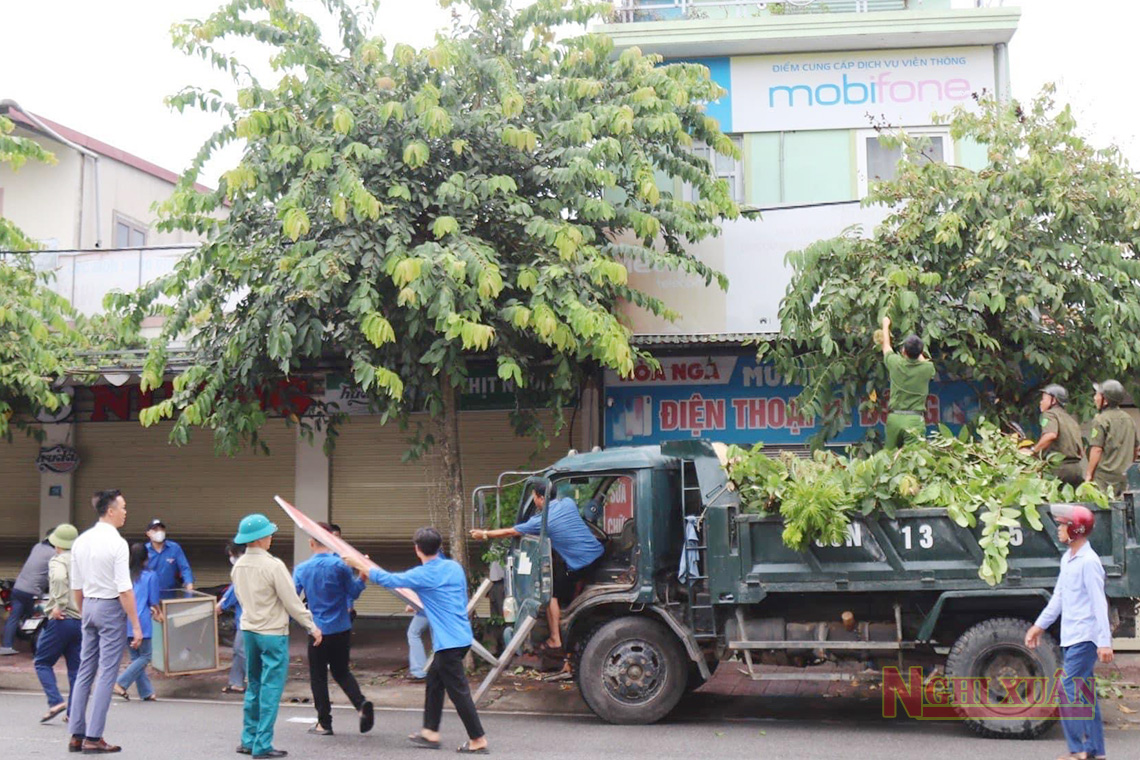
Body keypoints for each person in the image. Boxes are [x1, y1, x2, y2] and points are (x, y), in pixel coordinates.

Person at [345, 527, 489, 754]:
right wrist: (420, 603)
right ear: (440, 546)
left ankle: (478, 739)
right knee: (434, 681)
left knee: (459, 693)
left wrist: (359, 564)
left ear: (417, 549)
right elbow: (444, 595)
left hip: (449, 642)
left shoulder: (423, 574)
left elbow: (389, 579)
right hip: (460, 637)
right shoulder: (453, 568)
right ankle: (430, 732)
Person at [471, 476, 603, 654]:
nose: (534, 500)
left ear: (541, 498)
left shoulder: (540, 521)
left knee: (550, 594)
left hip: (583, 565)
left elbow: (511, 531)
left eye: (534, 496)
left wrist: (484, 534)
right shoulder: (568, 503)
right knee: (560, 573)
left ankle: (555, 638)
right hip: (599, 554)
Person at [1025, 504, 1113, 760]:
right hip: (1072, 637)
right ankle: (1096, 751)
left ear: (1076, 530)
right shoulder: (1068, 559)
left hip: (1086, 638)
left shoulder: (1089, 563)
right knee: (1086, 694)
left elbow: (1099, 603)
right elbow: (1059, 598)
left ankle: (1079, 750)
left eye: (1064, 525)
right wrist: (1038, 626)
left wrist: (1104, 642)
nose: (1059, 529)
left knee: (1066, 689)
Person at [230, 513, 322, 759]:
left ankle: (248, 740)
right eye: (269, 533)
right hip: (272, 633)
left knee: (254, 685)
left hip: (249, 630)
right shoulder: (274, 565)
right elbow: (292, 602)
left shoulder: (238, 566)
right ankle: (262, 745)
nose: (271, 537)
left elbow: (239, 597)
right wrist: (311, 627)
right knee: (271, 689)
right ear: (260, 538)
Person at [68, 489, 144, 754]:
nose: (125, 512)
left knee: (85, 669)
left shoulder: (81, 540)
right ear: (110, 511)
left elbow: (76, 585)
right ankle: (94, 736)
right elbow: (125, 589)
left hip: (88, 604)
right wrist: (135, 624)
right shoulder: (117, 543)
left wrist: (85, 610)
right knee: (107, 673)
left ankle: (76, 733)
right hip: (110, 607)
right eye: (123, 507)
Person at [292, 524, 373, 736]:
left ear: (311, 543)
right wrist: (363, 576)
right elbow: (353, 593)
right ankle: (361, 704)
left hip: (317, 631)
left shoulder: (302, 569)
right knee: (341, 671)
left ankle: (324, 723)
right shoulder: (341, 566)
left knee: (318, 677)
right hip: (342, 627)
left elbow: (292, 598)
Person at [32, 523, 81, 723]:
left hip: (62, 619)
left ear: (56, 544)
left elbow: (60, 578)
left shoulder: (58, 560)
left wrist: (59, 605)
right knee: (75, 670)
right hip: (81, 621)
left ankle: (55, 701)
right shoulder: (81, 561)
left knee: (42, 662)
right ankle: (73, 712)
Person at [113, 543, 162, 701]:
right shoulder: (150, 576)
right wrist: (158, 613)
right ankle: (120, 682)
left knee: (136, 658)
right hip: (141, 620)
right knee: (146, 656)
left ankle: (146, 692)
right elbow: (153, 601)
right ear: (146, 558)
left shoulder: (124, 575)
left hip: (125, 619)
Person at [880, 316, 935, 449]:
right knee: (914, 460)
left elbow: (886, 346)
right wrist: (917, 350)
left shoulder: (896, 363)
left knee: (889, 459)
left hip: (895, 418)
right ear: (921, 352)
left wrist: (885, 325)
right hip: (914, 420)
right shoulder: (928, 369)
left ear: (903, 351)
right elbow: (922, 360)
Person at [0, 530, 56, 655]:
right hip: (32, 591)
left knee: (14, 617)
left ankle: (7, 646)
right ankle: (40, 644)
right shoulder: (53, 554)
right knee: (38, 616)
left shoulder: (37, 547)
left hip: (18, 588)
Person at [1085, 379, 1140, 496]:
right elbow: (1136, 449)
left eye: (1098, 395)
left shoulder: (1100, 420)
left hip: (1104, 478)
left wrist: (1089, 474)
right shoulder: (1129, 419)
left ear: (1105, 400)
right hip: (1125, 478)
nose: (1095, 398)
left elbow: (1096, 449)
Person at [1030, 384, 1086, 486]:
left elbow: (1050, 435)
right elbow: (1081, 452)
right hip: (1077, 470)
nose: (1041, 402)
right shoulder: (1070, 419)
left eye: (1043, 399)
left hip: (1059, 469)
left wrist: (1033, 451)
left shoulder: (1049, 414)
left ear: (1054, 400)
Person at [218, 542, 247, 694]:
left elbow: (235, 590)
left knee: (241, 650)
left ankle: (255, 682)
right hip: (248, 618)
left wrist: (221, 605)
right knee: (239, 651)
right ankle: (237, 682)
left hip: (248, 620)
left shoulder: (242, 568)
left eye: (231, 555)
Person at [144, 518, 194, 591]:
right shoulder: (144, 550)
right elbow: (137, 572)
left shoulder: (174, 548)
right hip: (149, 591)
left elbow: (184, 568)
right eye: (155, 530)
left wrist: (189, 583)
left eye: (161, 530)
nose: (159, 532)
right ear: (148, 533)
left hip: (171, 591)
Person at [406, 608, 429, 680]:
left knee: (413, 634)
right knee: (438, 639)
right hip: (443, 610)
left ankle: (419, 671)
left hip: (426, 610)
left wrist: (413, 605)